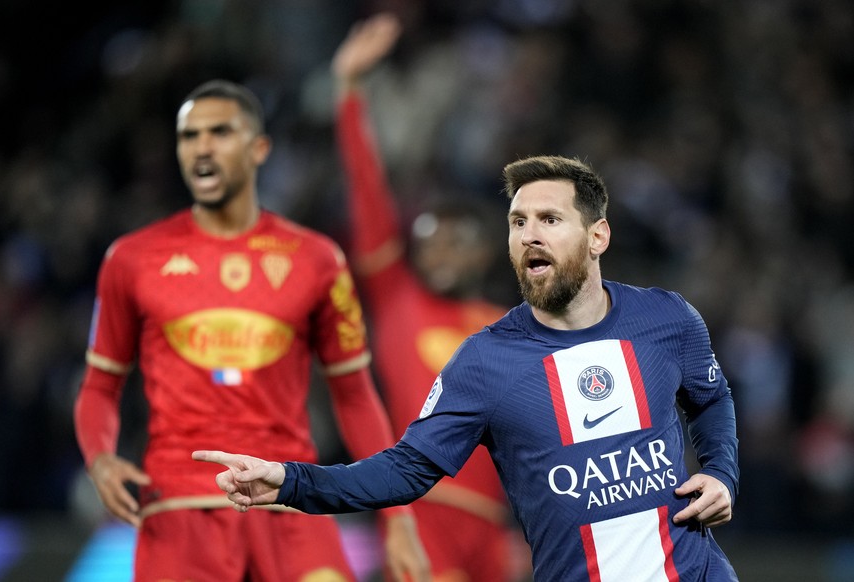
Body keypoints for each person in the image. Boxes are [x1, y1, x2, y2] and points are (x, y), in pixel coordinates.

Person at [194, 154, 741, 582]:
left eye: (550, 219)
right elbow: (404, 470)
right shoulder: (485, 361)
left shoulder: (666, 318)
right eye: (518, 221)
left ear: (598, 236)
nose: (530, 234)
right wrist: (291, 481)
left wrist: (721, 472)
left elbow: (711, 397)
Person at [73, 79, 430, 582]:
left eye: (219, 132)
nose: (202, 147)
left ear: (259, 147)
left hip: (291, 497)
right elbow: (100, 385)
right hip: (179, 507)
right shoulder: (131, 260)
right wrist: (100, 459)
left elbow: (354, 395)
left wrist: (398, 516)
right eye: (189, 135)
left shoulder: (317, 260)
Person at [331, 14, 525, 582]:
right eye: (427, 243)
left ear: (484, 254)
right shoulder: (397, 299)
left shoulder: (509, 328)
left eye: (454, 244)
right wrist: (348, 92)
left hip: (492, 527)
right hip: (420, 512)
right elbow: (368, 191)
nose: (437, 255)